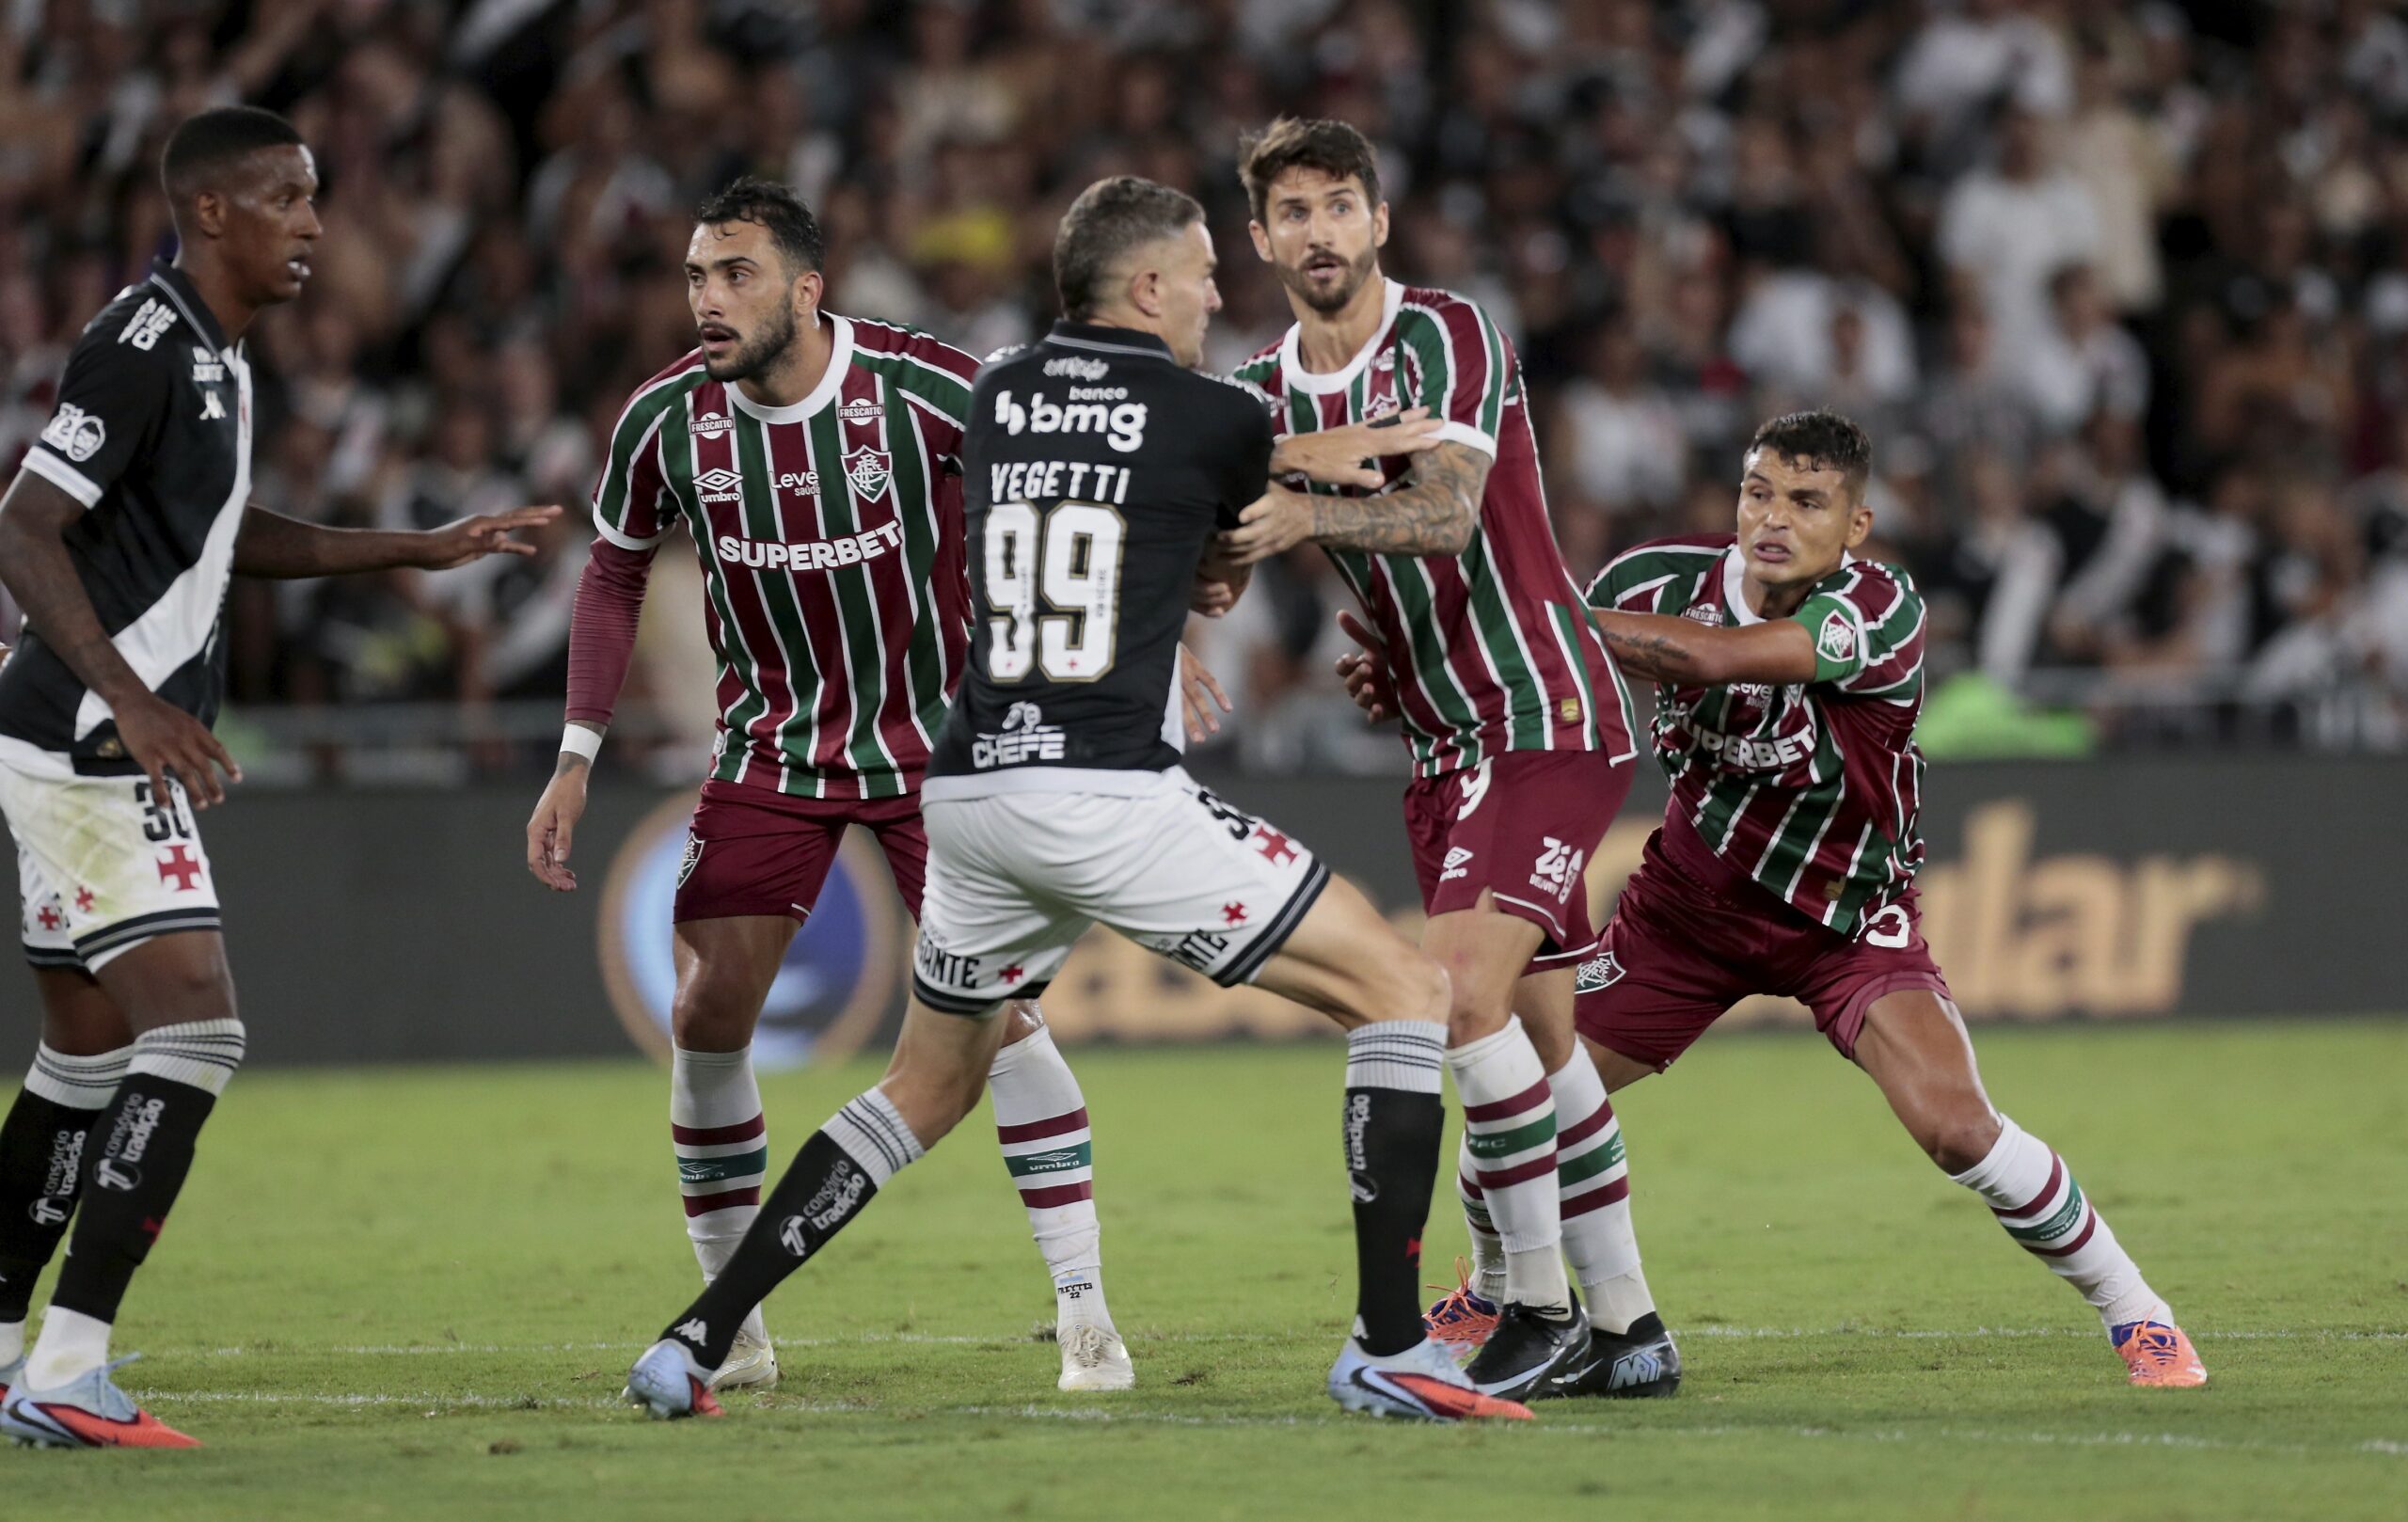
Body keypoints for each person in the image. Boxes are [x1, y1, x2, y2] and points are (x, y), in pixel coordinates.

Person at [620, 175, 1529, 1426]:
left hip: (975, 788)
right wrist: (1342, 468)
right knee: (1409, 991)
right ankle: (1386, 1340)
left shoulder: (994, 395)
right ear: (1148, 285)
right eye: (1206, 271)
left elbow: (1127, 511)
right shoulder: (1203, 410)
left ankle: (695, 1336)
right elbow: (1259, 500)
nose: (1222, 293)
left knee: (925, 1086)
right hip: (1106, 793)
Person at [1342, 409, 2207, 1390]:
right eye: (1759, 492)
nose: (1775, 518)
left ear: (1856, 526)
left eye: (1807, 501)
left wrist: (1542, 618)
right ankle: (1498, 1291)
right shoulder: (1649, 581)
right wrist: (1419, 675)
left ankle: (2138, 1311)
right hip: (1684, 912)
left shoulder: (1876, 609)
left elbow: (1707, 658)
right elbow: (1531, 679)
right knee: (1523, 1084)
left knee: (1956, 1127)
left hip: (1843, 923)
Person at [523, 178, 1141, 1395]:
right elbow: (611, 574)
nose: (707, 298)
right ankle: (735, 1330)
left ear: (807, 289)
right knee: (705, 1015)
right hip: (771, 753)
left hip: (940, 754)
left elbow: (1070, 485)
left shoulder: (922, 387)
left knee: (1000, 1016)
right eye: (697, 275)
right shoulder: (665, 421)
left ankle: (1086, 1311)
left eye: (735, 273)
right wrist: (577, 751)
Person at [0, 106, 558, 1449]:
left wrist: (412, 551)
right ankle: (69, 1370)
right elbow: (24, 525)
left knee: (85, 1053)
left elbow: (220, 534)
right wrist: (131, 702)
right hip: (90, 737)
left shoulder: (222, 362)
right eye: (291, 199)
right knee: (198, 1029)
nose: (317, 225)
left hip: (65, 731)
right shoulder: (141, 344)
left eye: (315, 198)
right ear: (211, 214)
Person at [1218, 118, 1670, 1400]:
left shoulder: (1445, 334)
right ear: (1261, 239)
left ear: (1379, 221)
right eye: (1292, 211)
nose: (1318, 231)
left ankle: (1537, 1306)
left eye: (1339, 205)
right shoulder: (1257, 391)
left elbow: (1447, 511)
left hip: (1540, 711)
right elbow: (1227, 525)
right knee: (1543, 1041)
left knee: (1453, 1000)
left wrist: (1298, 501)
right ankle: (1632, 1326)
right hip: (1441, 737)